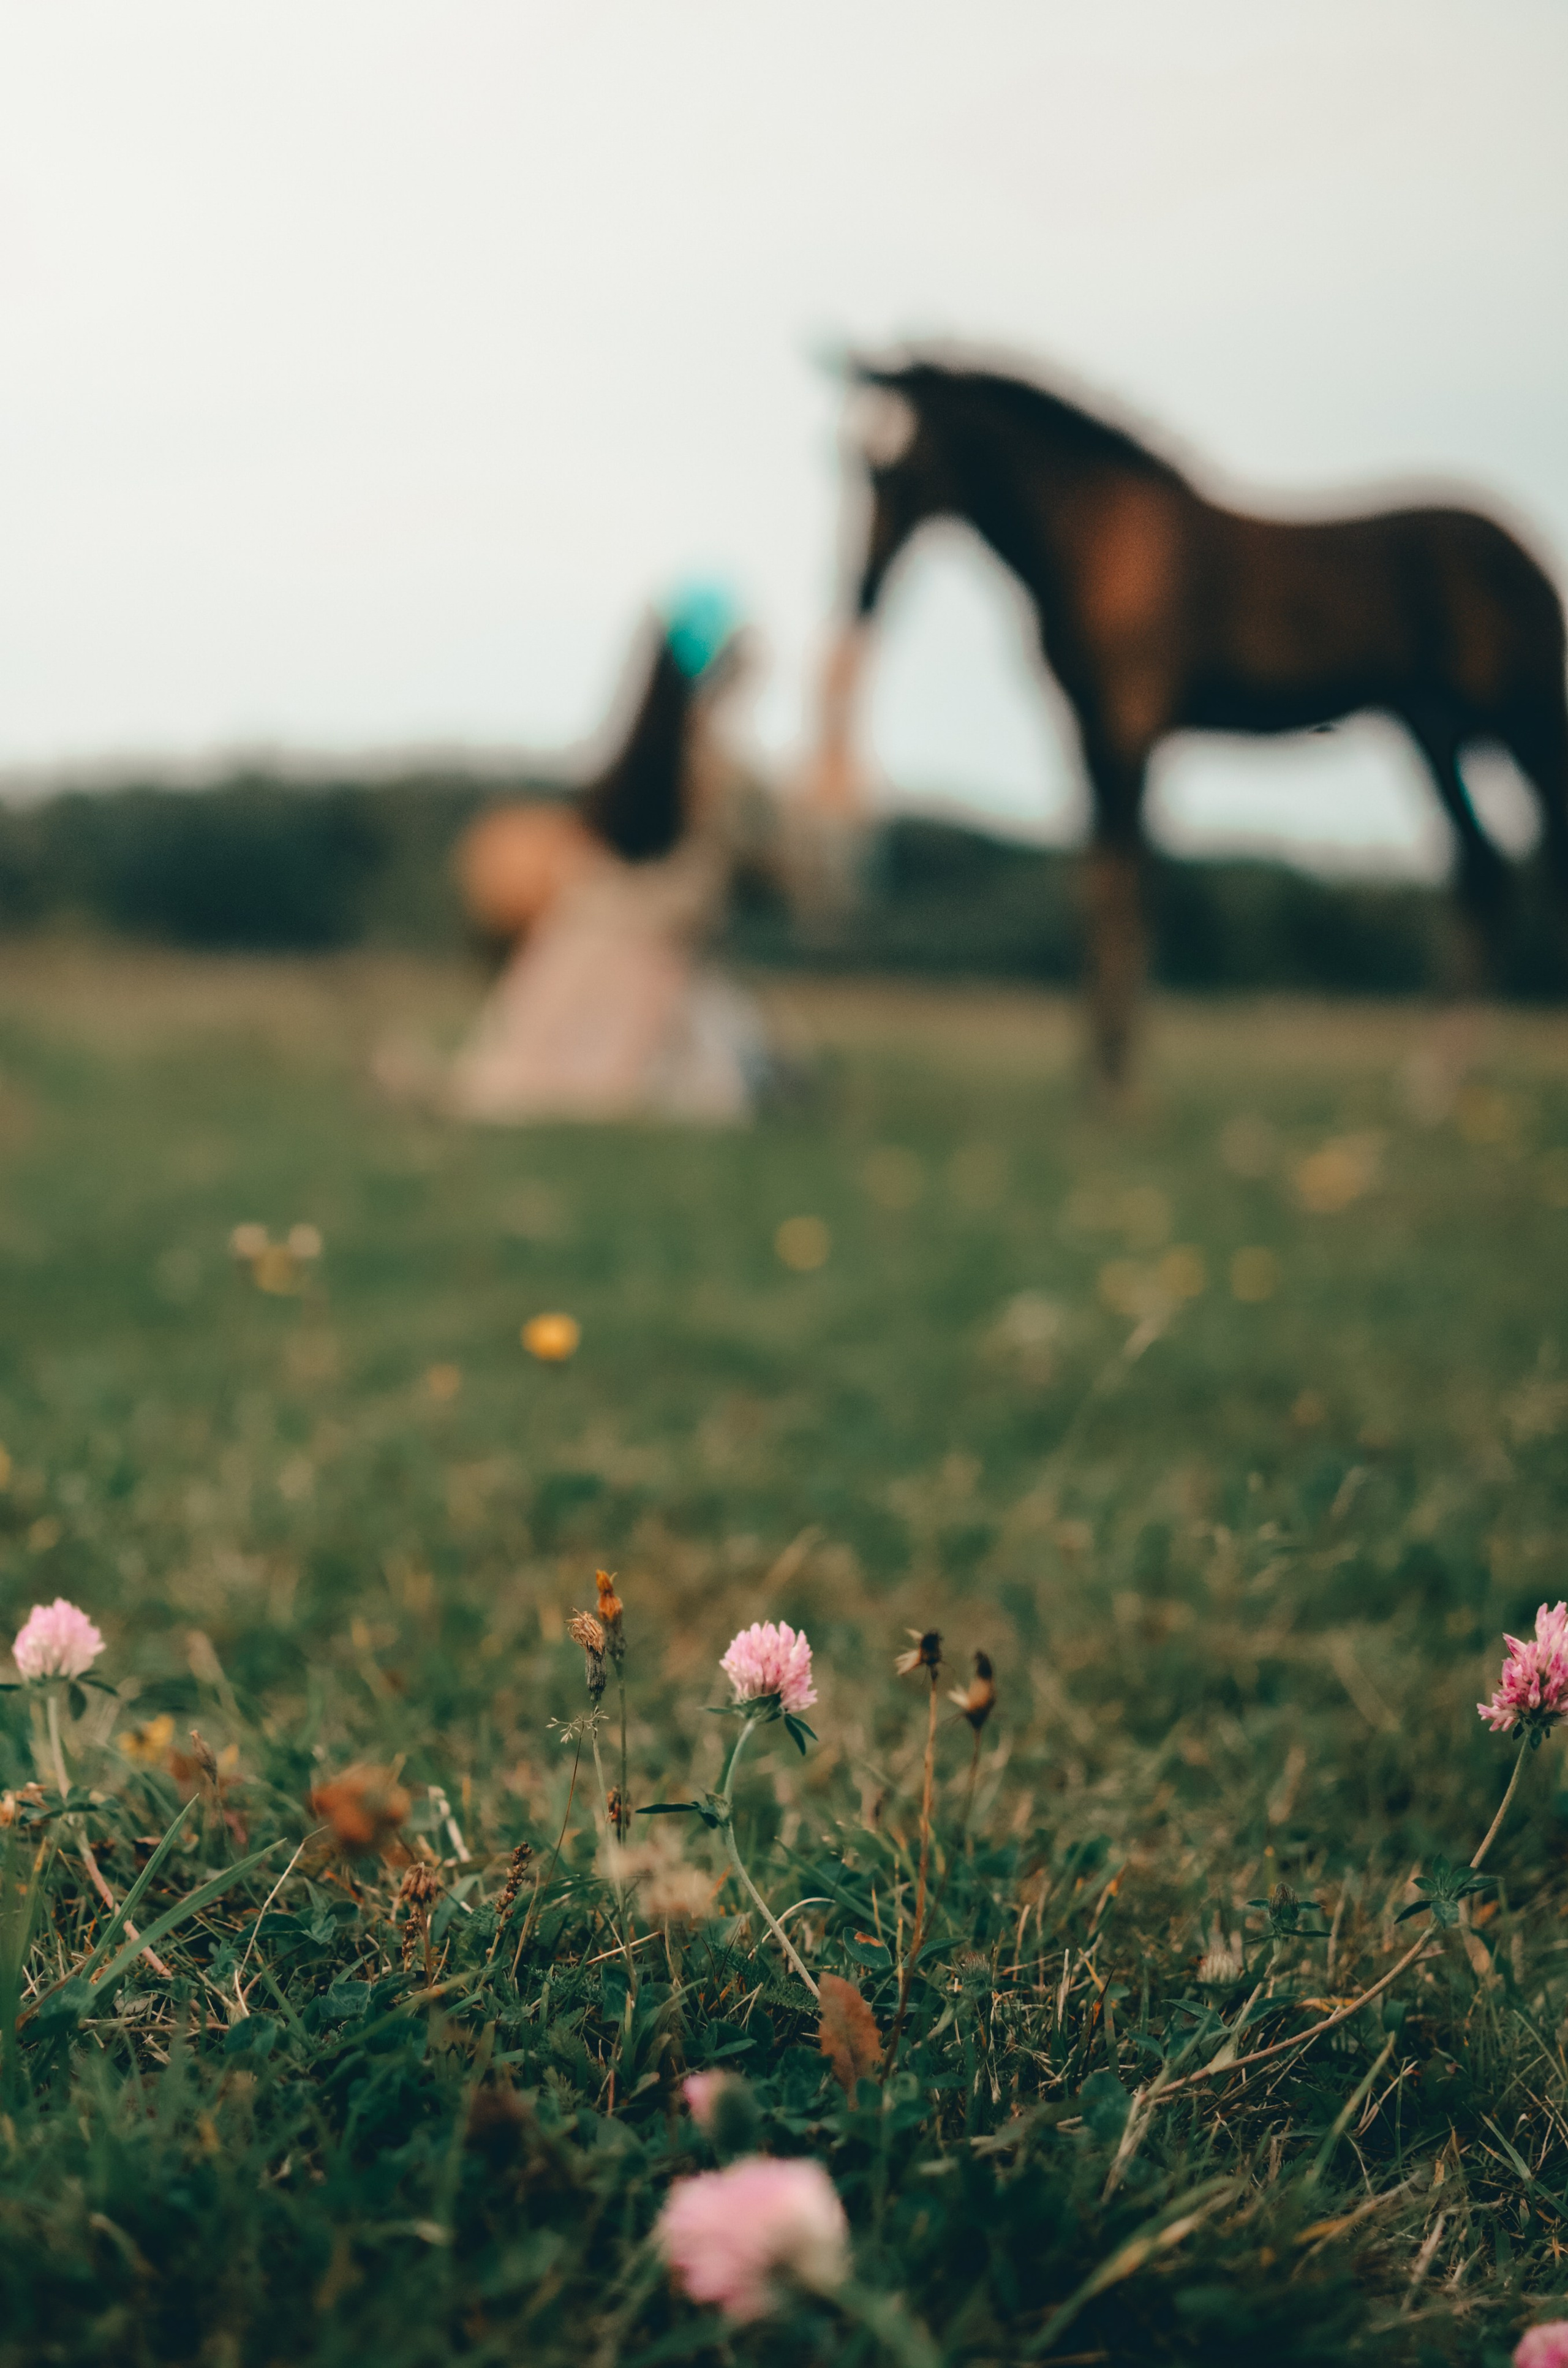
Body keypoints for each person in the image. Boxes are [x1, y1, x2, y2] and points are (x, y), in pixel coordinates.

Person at [443, 586, 858, 1125]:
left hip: (578, 957)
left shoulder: (631, 770)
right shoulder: (721, 776)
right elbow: (787, 876)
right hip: (655, 976)